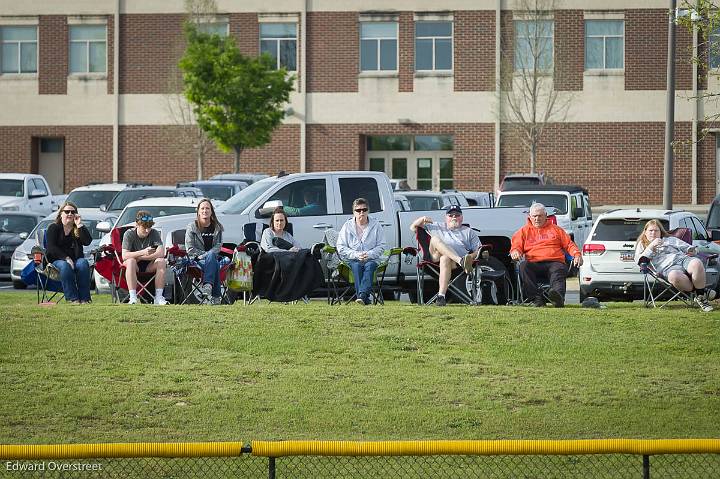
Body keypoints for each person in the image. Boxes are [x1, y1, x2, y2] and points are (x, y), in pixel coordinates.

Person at [510, 203, 582, 308]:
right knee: (523, 266)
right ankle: (536, 299)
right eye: (534, 216)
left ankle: (558, 298)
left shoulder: (557, 230)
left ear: (546, 215)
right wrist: (515, 252)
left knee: (559, 268)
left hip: (554, 262)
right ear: (530, 217)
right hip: (534, 264)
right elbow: (516, 247)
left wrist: (577, 254)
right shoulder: (523, 232)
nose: (537, 218)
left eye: (540, 216)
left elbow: (569, 245)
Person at [634, 219, 715, 312]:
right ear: (645, 232)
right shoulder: (642, 245)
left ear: (661, 232)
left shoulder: (669, 239)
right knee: (674, 276)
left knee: (696, 263)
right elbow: (640, 260)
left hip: (682, 259)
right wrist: (652, 246)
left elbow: (687, 247)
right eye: (650, 230)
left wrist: (691, 250)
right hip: (667, 269)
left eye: (656, 230)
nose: (653, 233)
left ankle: (701, 297)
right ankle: (702, 292)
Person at [410, 206, 481, 306]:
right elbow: (413, 227)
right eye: (450, 215)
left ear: (462, 217)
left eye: (457, 215)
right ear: (446, 217)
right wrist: (422, 219)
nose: (454, 217)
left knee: (445, 258)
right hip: (434, 260)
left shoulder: (469, 232)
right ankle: (460, 260)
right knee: (434, 239)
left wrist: (470, 257)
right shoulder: (436, 226)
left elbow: (478, 251)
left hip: (452, 265)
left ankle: (441, 296)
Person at [336, 198, 387, 305]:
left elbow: (382, 245)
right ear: (353, 212)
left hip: (372, 258)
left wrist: (369, 254)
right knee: (357, 266)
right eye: (358, 210)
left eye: (364, 209)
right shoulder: (347, 226)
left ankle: (362, 296)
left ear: (368, 211)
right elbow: (340, 246)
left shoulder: (376, 225)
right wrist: (356, 255)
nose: (361, 212)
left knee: (369, 266)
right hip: (352, 259)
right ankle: (364, 298)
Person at [45, 201, 92, 304]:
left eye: (72, 212)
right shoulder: (53, 227)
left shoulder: (77, 228)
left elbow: (87, 242)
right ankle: (73, 299)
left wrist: (79, 225)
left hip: (76, 260)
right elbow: (51, 248)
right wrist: (66, 258)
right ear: (61, 213)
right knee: (65, 265)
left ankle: (84, 299)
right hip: (56, 261)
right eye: (67, 211)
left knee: (83, 263)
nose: (70, 214)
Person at [121, 210, 168, 305]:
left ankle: (159, 297)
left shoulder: (154, 233)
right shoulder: (129, 234)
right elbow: (124, 255)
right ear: (137, 225)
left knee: (161, 261)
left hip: (149, 264)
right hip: (134, 265)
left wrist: (141, 257)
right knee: (130, 261)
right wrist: (143, 252)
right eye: (144, 227)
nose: (147, 230)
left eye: (149, 227)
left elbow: (161, 253)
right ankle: (133, 297)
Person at [185, 198, 224, 305]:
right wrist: (204, 255)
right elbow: (190, 248)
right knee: (214, 263)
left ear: (211, 211)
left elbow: (218, 246)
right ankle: (216, 296)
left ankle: (208, 286)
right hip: (196, 260)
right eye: (202, 208)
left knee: (213, 258)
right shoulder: (192, 227)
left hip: (212, 258)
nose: (204, 210)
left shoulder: (217, 227)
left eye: (207, 208)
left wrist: (208, 255)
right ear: (198, 211)